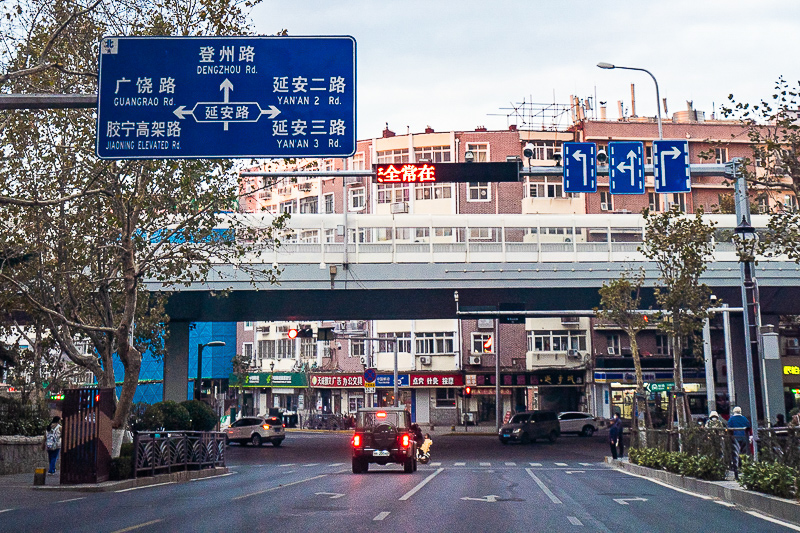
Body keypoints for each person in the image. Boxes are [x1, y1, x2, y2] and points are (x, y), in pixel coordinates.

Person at [727, 406, 751, 480]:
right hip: (744, 438)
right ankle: (746, 471)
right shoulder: (744, 419)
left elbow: (729, 429)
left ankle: (736, 474)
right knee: (745, 455)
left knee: (735, 455)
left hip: (735, 439)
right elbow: (749, 427)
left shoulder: (731, 419)